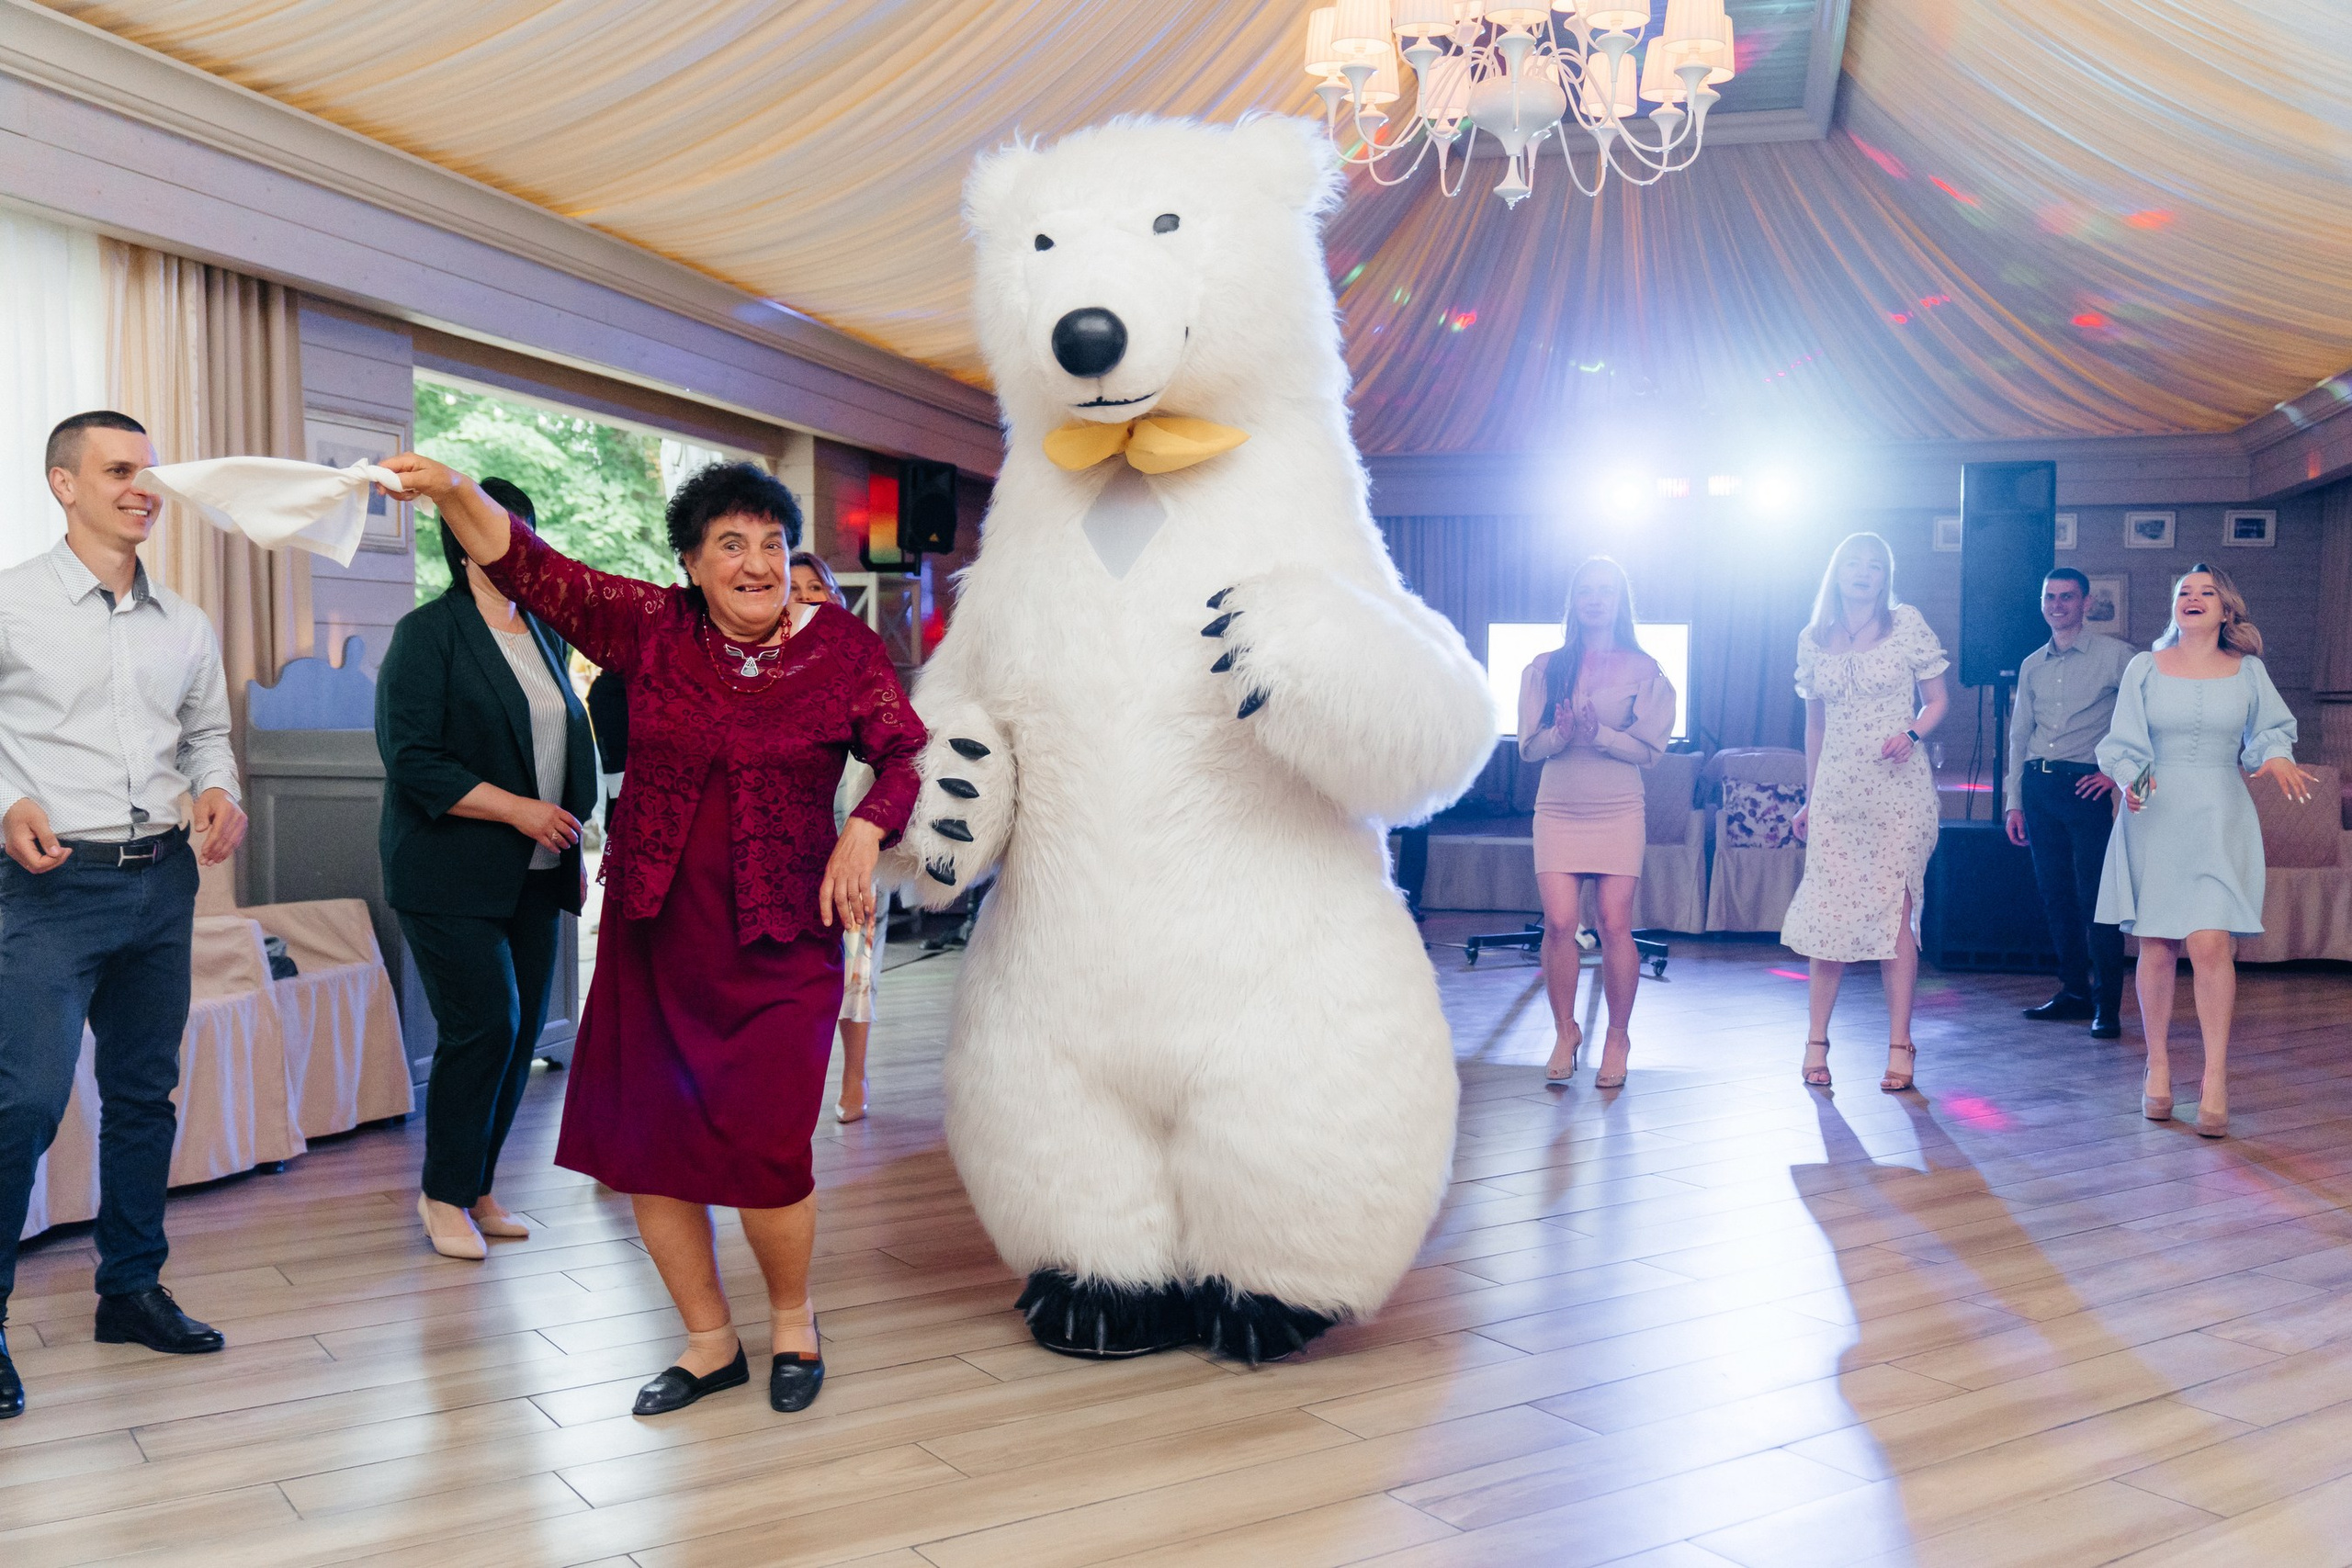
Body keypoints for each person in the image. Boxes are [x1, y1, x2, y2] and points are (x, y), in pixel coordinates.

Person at [376, 451, 922, 1417]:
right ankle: (709, 1342)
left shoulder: (840, 650)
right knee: (653, 1150)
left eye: (771, 542)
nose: (756, 562)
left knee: (767, 1149)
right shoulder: (650, 627)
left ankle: (793, 1321)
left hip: (780, 941)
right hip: (654, 938)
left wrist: (865, 826)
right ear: (691, 563)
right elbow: (533, 567)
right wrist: (453, 488)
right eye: (730, 544)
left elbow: (902, 756)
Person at [0, 412, 251, 1421]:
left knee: (146, 1094)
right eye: (118, 470)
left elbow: (207, 736)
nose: (142, 486)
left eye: (149, 471)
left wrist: (217, 790)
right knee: (22, 1101)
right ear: (64, 484)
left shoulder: (186, 623)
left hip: (161, 884)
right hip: (48, 886)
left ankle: (131, 1290)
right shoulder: (10, 604)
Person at [376, 479, 599, 1261]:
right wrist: (517, 809)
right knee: (487, 1025)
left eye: (522, 531)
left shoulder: (546, 631)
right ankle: (440, 1195)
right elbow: (413, 761)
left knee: (522, 1031)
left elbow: (566, 735)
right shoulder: (427, 634)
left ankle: (477, 1186)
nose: (511, 544)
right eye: (493, 527)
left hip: (537, 872)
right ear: (458, 536)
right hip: (446, 873)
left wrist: (569, 825)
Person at [2095, 564, 2314, 1139]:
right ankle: (2158, 1066)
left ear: (2226, 611)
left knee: (2211, 941)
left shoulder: (2248, 672)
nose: (2192, 599)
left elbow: (2268, 733)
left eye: (2206, 593)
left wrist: (2278, 756)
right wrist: (2132, 784)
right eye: (2183, 593)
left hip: (2220, 814)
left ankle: (2216, 1077)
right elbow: (2122, 745)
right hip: (2156, 814)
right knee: (2158, 943)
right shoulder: (2145, 667)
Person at [1781, 532, 1951, 1093]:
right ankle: (1816, 1040)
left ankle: (1900, 1044)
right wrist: (1810, 797)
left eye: (1874, 565)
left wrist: (1911, 732)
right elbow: (1814, 726)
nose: (1863, 572)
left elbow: (1939, 700)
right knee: (1830, 912)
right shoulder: (1812, 638)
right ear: (1836, 571)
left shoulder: (1907, 624)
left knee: (1896, 914)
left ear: (1885, 576)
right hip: (1837, 794)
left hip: (1898, 790)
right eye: (1852, 563)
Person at [1516, 558, 1674, 1089]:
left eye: (1606, 590)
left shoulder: (1645, 668)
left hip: (1618, 808)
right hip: (1559, 807)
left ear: (1619, 601)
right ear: (1574, 600)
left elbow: (1650, 753)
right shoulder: (1547, 666)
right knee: (1560, 923)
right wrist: (1562, 735)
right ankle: (1566, 1031)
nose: (1596, 598)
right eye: (1586, 590)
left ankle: (1618, 1037)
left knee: (1612, 923)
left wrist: (1599, 732)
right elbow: (1529, 749)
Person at [2003, 568, 2136, 1040]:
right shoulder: (2031, 663)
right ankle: (2075, 993)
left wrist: (2114, 773)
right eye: (2050, 597)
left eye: (2067, 597)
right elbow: (2019, 735)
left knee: (2096, 900)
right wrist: (2013, 803)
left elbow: (2149, 718)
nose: (2057, 605)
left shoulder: (2118, 656)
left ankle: (2108, 1008)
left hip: (2086, 789)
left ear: (2085, 603)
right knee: (2056, 896)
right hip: (2039, 790)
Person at [788, 552, 884, 1123]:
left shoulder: (862, 671)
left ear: (835, 601)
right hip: (792, 855)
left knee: (856, 967)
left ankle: (853, 1077)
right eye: (791, 589)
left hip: (852, 847)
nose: (802, 596)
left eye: (814, 588)